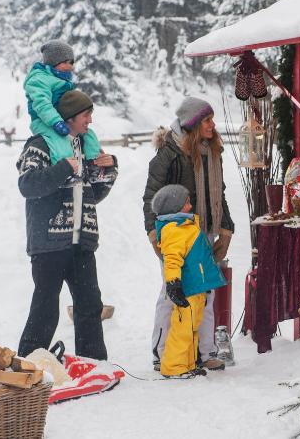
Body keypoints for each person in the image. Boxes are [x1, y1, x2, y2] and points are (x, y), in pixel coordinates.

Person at [16, 90, 118, 360]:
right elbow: (28, 185)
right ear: (70, 117)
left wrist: (108, 171)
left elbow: (92, 196)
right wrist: (63, 168)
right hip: (48, 243)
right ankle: (28, 365)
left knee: (90, 305)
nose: (90, 121)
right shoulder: (40, 144)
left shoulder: (85, 146)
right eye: (86, 115)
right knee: (46, 307)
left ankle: (93, 363)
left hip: (81, 241)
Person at [143, 96, 234, 371]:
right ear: (193, 124)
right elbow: (150, 198)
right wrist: (153, 235)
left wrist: (226, 230)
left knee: (204, 294)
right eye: (207, 120)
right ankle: (162, 352)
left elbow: (220, 195)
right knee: (173, 293)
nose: (212, 125)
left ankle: (204, 352)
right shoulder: (169, 155)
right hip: (177, 235)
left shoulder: (212, 151)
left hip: (204, 234)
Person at [151, 184, 227, 377]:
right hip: (187, 287)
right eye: (186, 203)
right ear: (175, 207)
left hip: (196, 287)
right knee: (182, 329)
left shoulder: (185, 225)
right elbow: (172, 260)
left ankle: (188, 364)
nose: (190, 205)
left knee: (192, 327)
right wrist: (173, 283)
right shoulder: (174, 229)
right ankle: (174, 367)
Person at [24, 39, 101, 166]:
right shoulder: (39, 79)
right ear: (53, 62)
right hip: (43, 121)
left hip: (61, 119)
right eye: (65, 62)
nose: (70, 66)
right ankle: (65, 169)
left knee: (88, 134)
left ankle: (95, 162)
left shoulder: (62, 80)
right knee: (60, 140)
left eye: (71, 62)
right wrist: (56, 122)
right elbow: (41, 104)